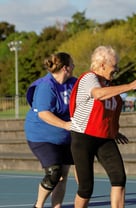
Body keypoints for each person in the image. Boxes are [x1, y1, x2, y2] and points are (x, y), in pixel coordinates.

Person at [69, 45, 136, 208]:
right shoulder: (89, 78)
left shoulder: (109, 86)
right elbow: (98, 95)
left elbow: (106, 112)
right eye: (114, 65)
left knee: (119, 177)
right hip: (84, 136)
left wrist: (115, 131)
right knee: (86, 188)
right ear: (102, 64)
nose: (117, 69)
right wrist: (130, 86)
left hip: (104, 137)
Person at [24, 52, 77, 208]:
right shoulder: (46, 86)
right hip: (42, 136)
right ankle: (38, 205)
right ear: (66, 68)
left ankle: (56, 206)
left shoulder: (74, 83)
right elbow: (43, 113)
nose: (74, 66)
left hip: (65, 137)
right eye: (72, 64)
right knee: (54, 172)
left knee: (63, 175)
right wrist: (66, 125)